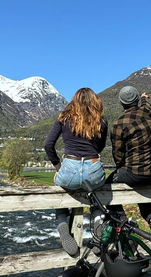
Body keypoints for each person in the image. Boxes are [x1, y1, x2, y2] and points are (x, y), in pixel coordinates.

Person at [44, 87, 107, 256]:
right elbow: (100, 148)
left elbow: (48, 145)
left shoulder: (63, 118)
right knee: (99, 190)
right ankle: (98, 220)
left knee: (59, 186)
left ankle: (62, 223)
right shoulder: (101, 120)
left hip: (69, 168)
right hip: (93, 168)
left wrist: (58, 168)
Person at [106, 85, 151, 248]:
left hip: (135, 174)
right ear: (137, 100)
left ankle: (123, 224)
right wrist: (144, 98)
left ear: (121, 103)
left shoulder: (119, 124)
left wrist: (121, 170)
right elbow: (146, 103)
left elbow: (118, 155)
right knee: (140, 185)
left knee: (106, 186)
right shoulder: (147, 112)